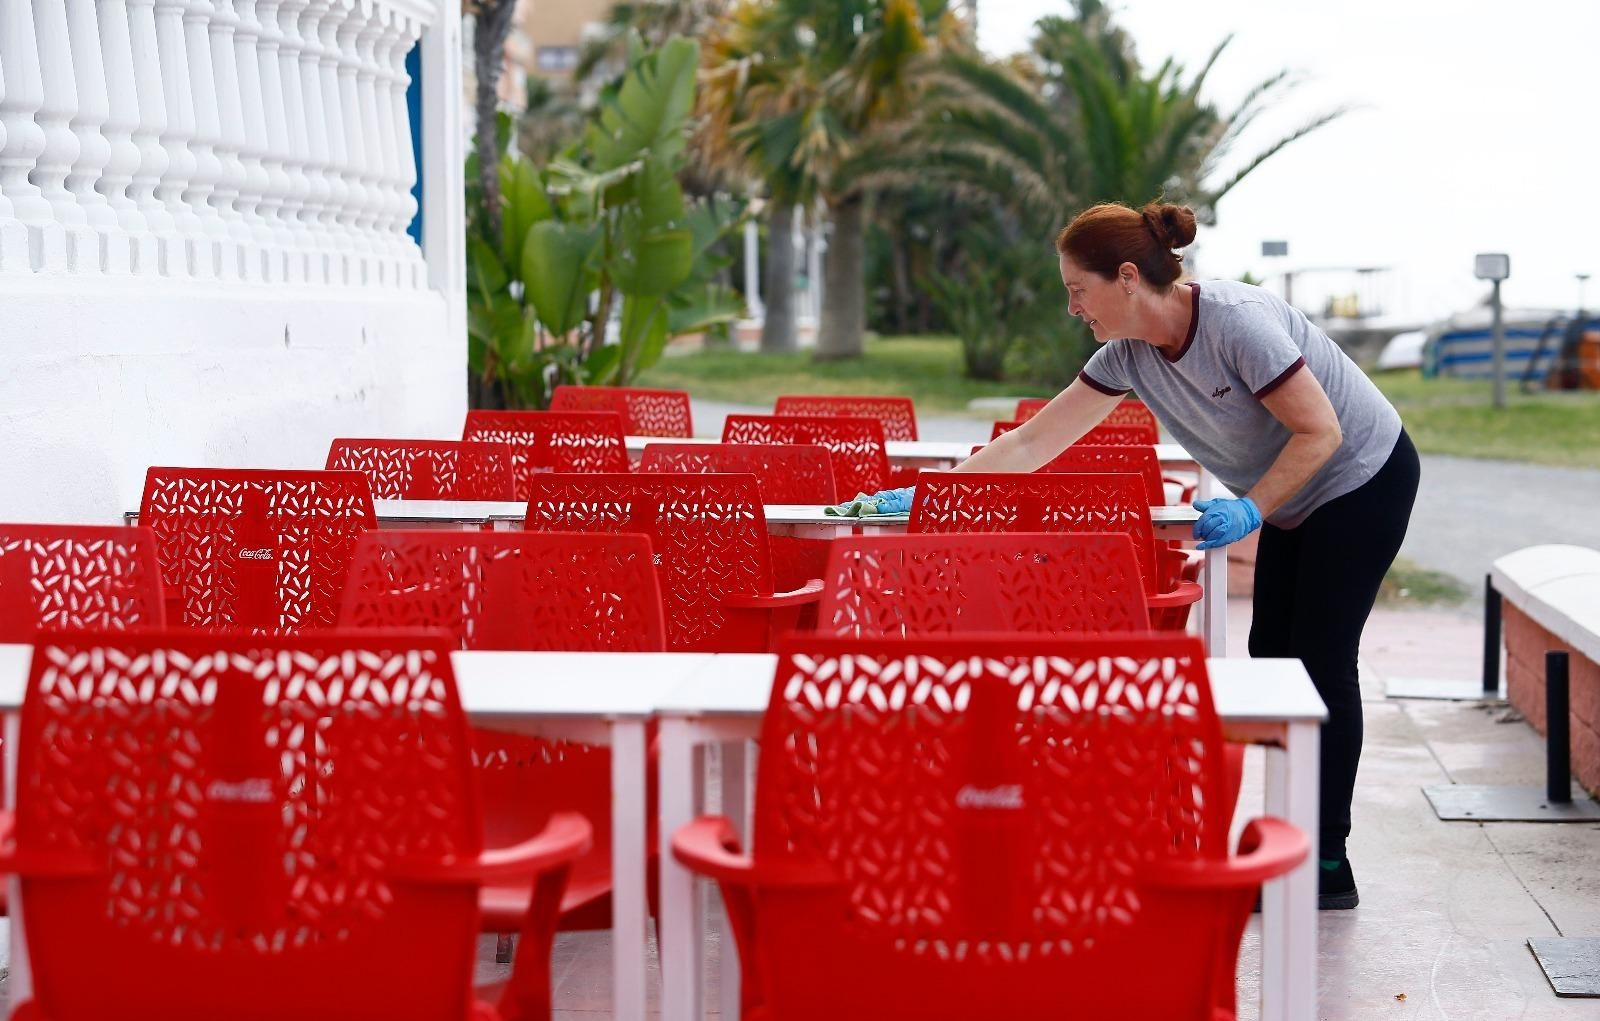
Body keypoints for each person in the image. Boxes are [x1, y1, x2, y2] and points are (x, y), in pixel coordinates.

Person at [838, 200, 1419, 909]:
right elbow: (1030, 444)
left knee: (1322, 659)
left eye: (1078, 292)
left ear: (1125, 278)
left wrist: (1250, 509)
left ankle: (1327, 862)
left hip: (1363, 474)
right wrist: (935, 494)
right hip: (1298, 493)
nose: (1074, 309)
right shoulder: (1128, 357)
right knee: (1274, 654)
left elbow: (1319, 431)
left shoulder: (1235, 322)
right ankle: (1295, 844)